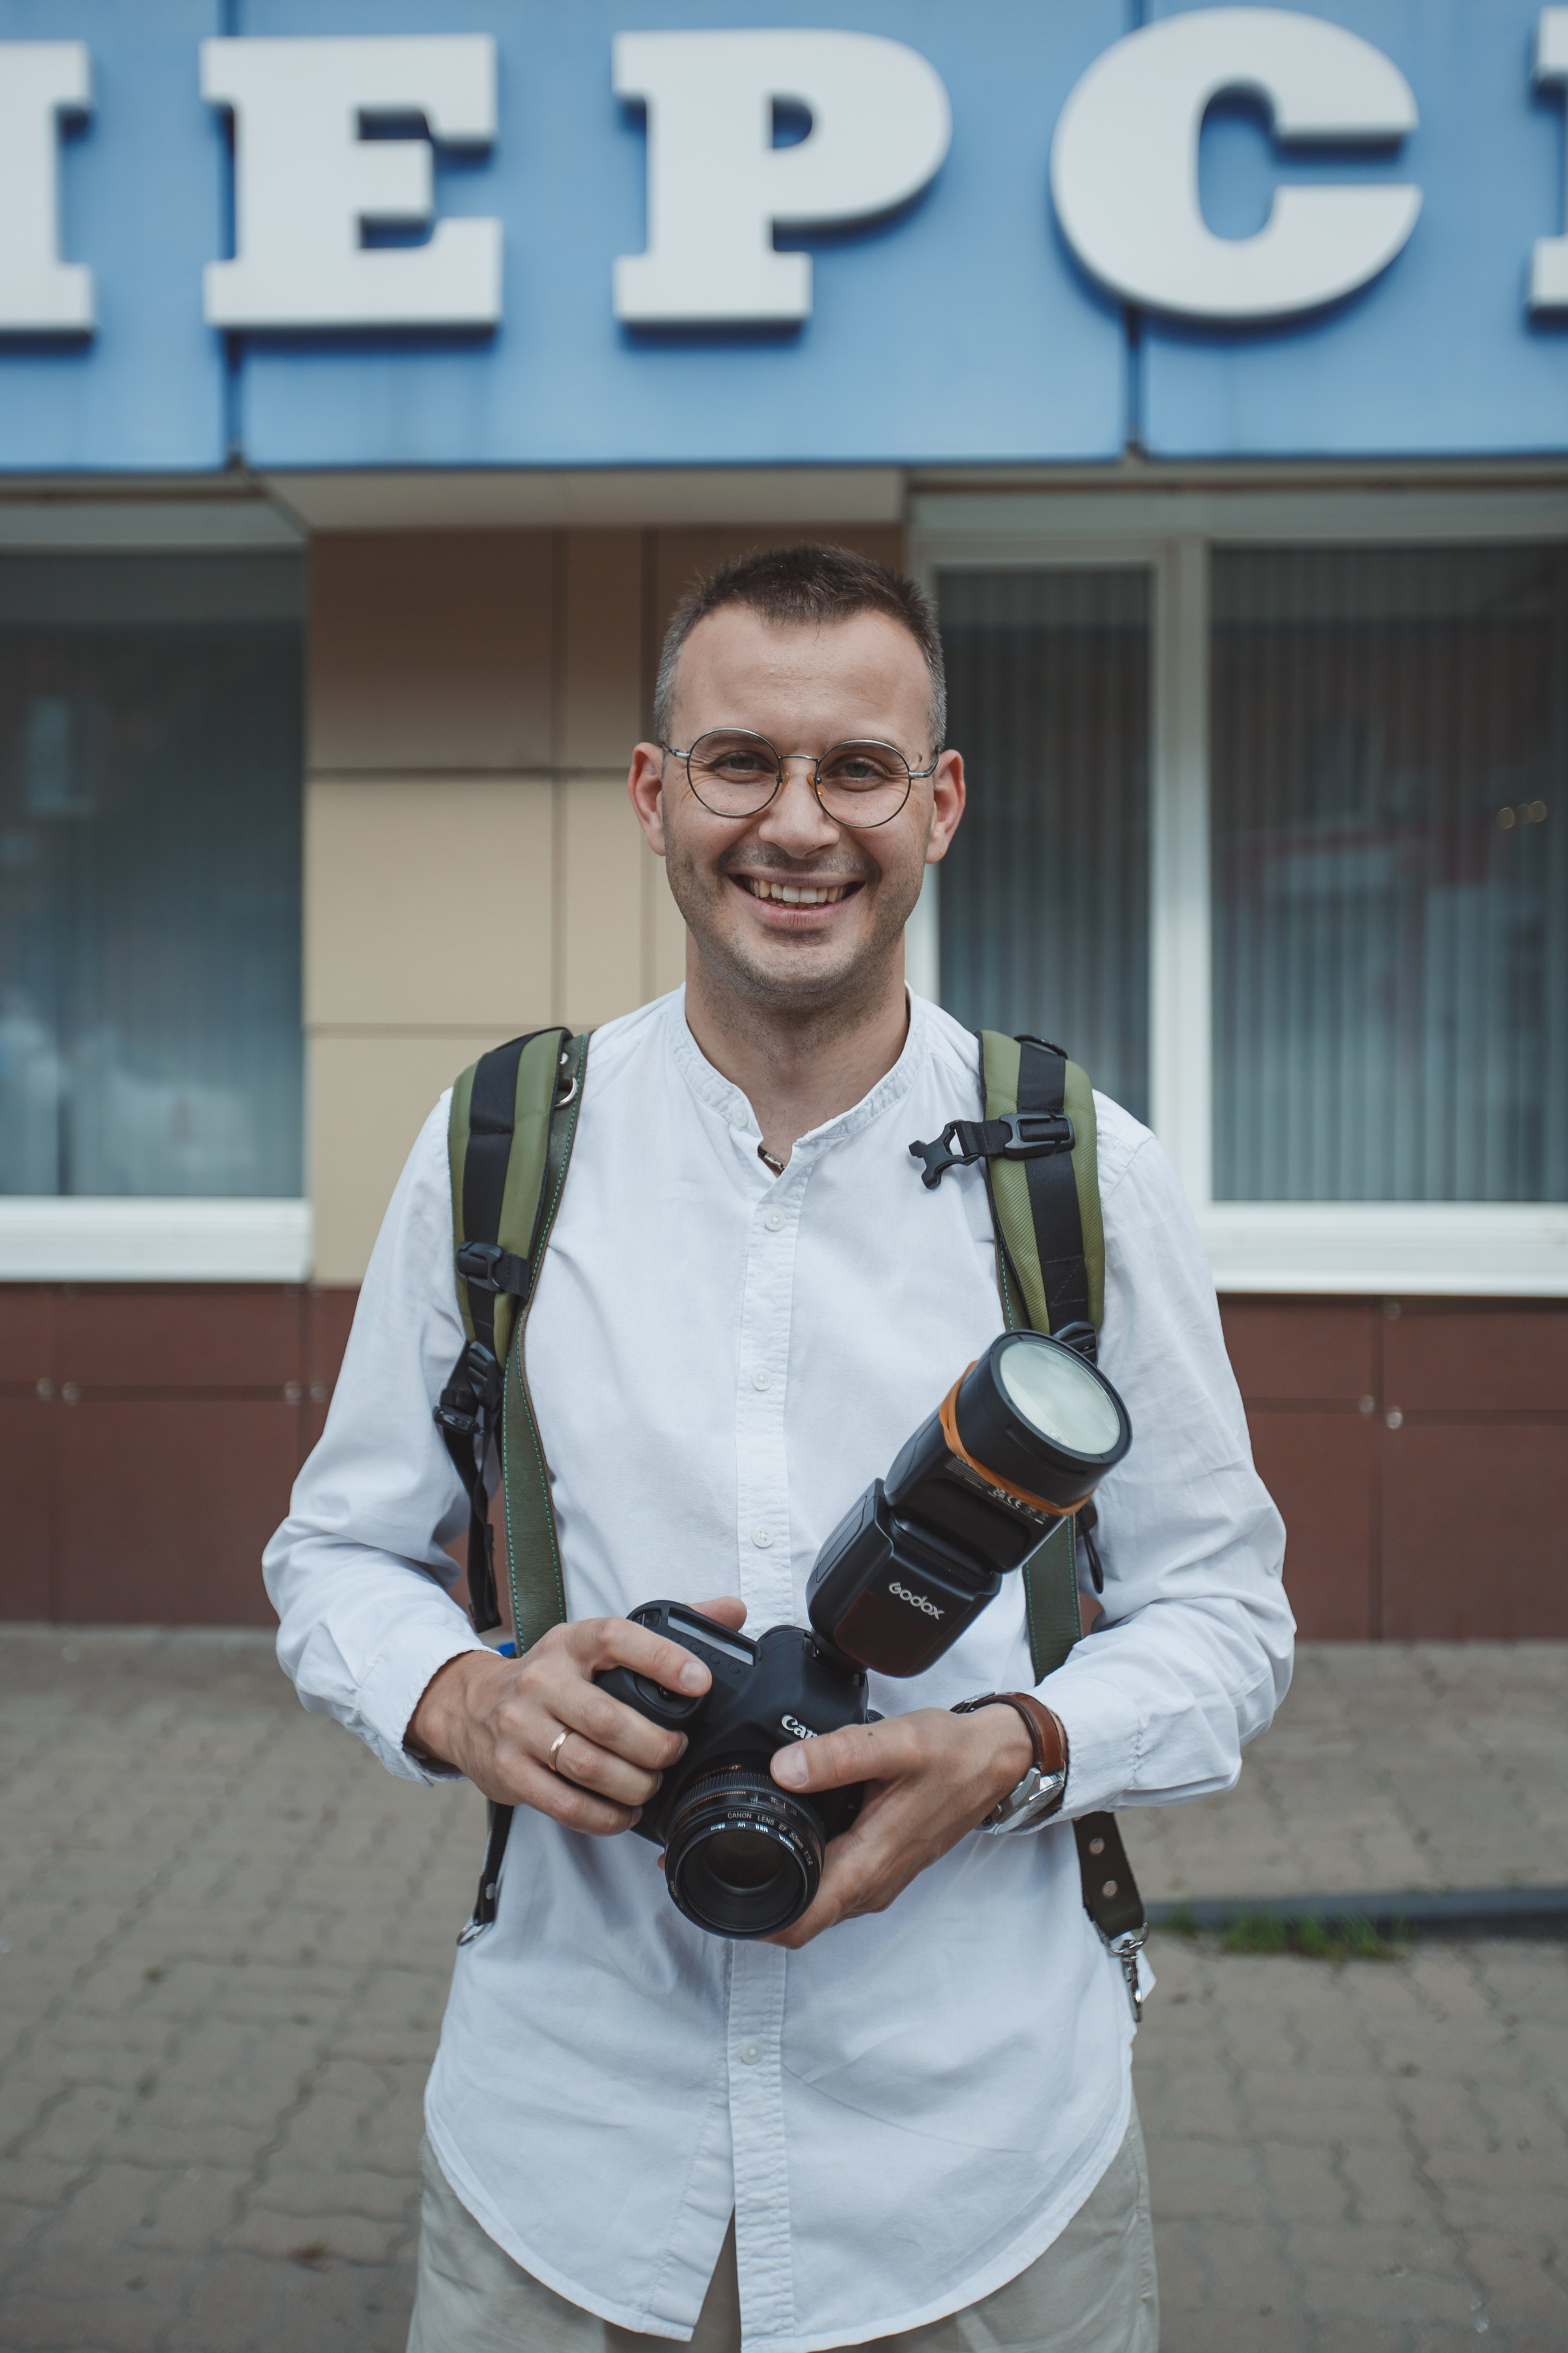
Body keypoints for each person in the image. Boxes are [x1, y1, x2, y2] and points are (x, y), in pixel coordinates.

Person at [264, 542, 1291, 2353]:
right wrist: (463, 1699)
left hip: (982, 2161)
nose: (797, 823)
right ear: (657, 797)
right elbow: (339, 1551)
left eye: (858, 768)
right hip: (567, 2146)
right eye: (740, 761)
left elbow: (1228, 1622)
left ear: (941, 803)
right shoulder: (509, 1139)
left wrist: (1019, 1744)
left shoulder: (1083, 1173)